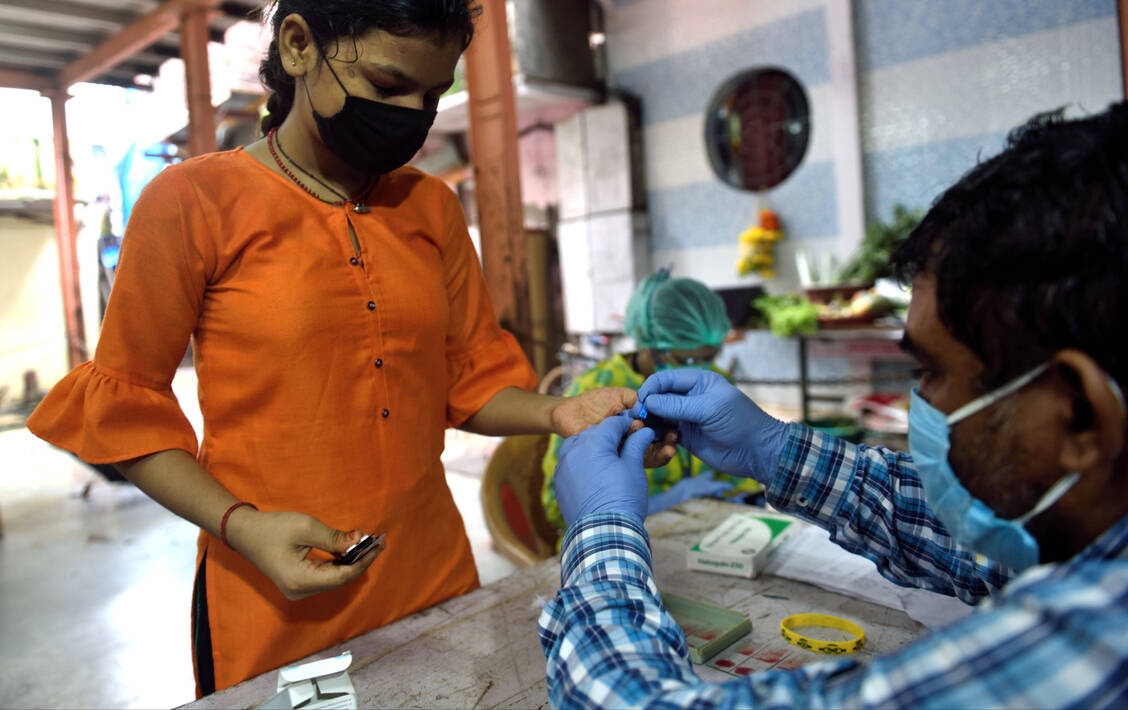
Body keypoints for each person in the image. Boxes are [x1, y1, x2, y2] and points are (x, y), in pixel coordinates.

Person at [27, 0, 642, 695]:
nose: (411, 114)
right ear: (297, 46)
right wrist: (241, 527)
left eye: (432, 96)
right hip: (270, 588)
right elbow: (125, 411)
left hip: (430, 573)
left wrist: (559, 414)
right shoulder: (193, 202)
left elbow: (464, 382)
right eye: (385, 86)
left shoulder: (432, 207)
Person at [538, 103, 1128, 708]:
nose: (920, 399)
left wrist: (603, 528)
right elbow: (979, 554)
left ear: (1081, 415)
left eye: (933, 371)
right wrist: (774, 449)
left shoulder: (1086, 647)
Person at [540, 271, 760, 533]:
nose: (701, 370)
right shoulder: (595, 392)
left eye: (710, 357)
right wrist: (654, 505)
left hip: (708, 533)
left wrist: (745, 495)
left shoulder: (715, 384)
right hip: (620, 540)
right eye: (688, 360)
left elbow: (742, 463)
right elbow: (558, 507)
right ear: (648, 342)